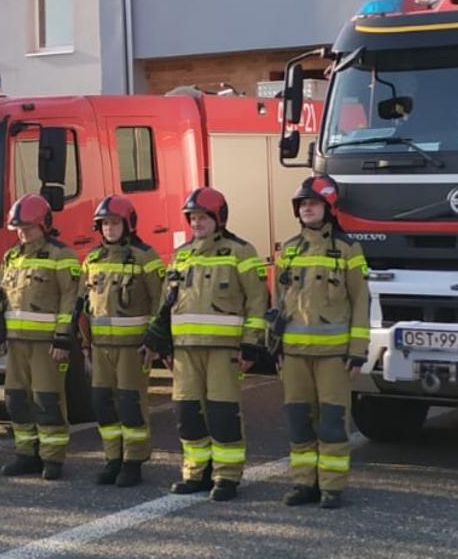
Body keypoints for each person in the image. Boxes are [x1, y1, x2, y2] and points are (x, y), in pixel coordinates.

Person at [147, 186, 267, 502]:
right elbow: (167, 302)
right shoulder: (182, 254)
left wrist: (251, 344)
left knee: (222, 414)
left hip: (224, 351)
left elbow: (257, 301)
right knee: (188, 414)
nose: (197, 223)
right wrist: (165, 345)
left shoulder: (241, 252)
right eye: (193, 218)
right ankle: (195, 473)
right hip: (185, 351)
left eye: (203, 217)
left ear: (219, 218)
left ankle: (226, 477)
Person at [271, 176, 370, 509]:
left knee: (331, 424)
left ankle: (331, 486)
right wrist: (275, 347)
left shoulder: (347, 249)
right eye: (301, 204)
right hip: (294, 355)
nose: (306, 208)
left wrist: (357, 352)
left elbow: (360, 302)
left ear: (328, 207)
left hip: (333, 357)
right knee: (299, 422)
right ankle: (303, 484)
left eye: (312, 203)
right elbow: (279, 303)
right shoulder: (288, 249)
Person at [0, 194, 80, 480]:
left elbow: (70, 300)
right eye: (18, 228)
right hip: (17, 343)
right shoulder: (12, 256)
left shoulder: (61, 256)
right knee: (16, 399)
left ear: (44, 225)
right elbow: (2, 294)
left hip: (46, 345)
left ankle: (52, 458)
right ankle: (25, 454)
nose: (22, 233)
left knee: (47, 400)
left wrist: (63, 338)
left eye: (28, 227)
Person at [80, 195, 162, 487]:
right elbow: (84, 307)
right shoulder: (92, 259)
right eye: (104, 224)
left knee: (130, 404)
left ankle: (133, 461)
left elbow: (159, 301)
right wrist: (85, 345)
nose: (109, 228)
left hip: (133, 349)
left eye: (115, 223)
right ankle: (112, 458)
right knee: (103, 404)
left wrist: (153, 342)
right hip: (101, 349)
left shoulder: (146, 257)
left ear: (128, 224)